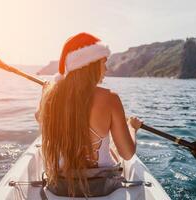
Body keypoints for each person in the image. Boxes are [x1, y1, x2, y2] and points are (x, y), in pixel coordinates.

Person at [36, 32, 142, 196]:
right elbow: (127, 154)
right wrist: (132, 128)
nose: (106, 68)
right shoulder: (110, 99)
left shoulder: (50, 97)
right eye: (103, 62)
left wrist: (46, 94)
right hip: (101, 188)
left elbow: (39, 118)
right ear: (90, 64)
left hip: (60, 186)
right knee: (113, 148)